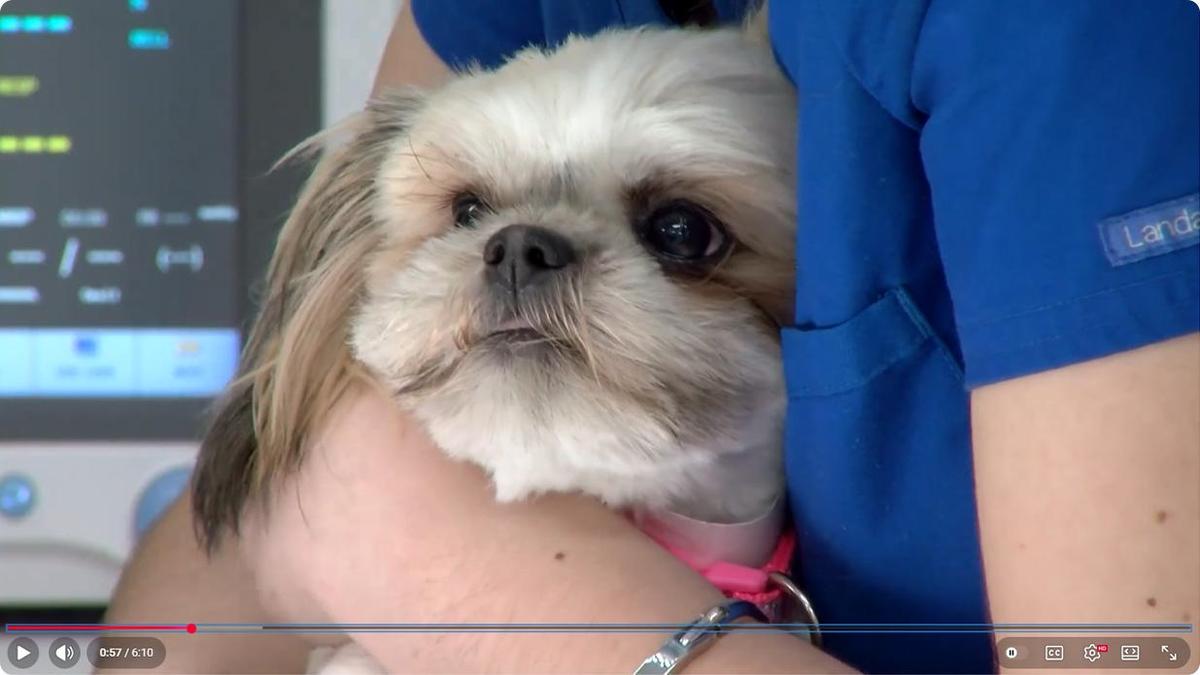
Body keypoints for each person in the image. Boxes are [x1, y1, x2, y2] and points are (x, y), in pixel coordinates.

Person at [108, 1, 1199, 672]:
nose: (520, 258)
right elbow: (274, 456)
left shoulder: (1042, 39)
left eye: (680, 235)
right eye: (471, 217)